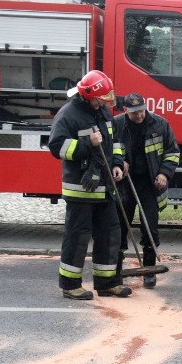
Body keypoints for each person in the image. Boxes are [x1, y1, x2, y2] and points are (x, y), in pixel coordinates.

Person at [47, 70, 131, 300]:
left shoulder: (102, 111)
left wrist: (116, 163)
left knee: (110, 234)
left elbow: (113, 143)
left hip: (104, 188)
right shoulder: (68, 114)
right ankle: (70, 285)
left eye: (104, 100)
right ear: (86, 95)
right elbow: (57, 147)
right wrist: (87, 143)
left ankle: (106, 283)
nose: (102, 103)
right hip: (81, 189)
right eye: (99, 99)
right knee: (77, 237)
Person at [113, 93, 180, 288]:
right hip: (125, 184)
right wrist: (119, 162)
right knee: (119, 227)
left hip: (150, 185)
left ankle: (149, 270)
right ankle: (116, 270)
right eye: (134, 113)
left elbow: (173, 152)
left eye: (141, 111)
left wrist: (164, 174)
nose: (139, 116)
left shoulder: (160, 124)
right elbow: (106, 150)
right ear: (125, 111)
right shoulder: (116, 124)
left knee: (149, 228)